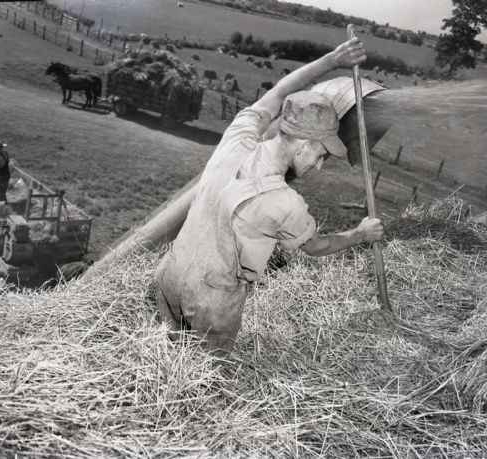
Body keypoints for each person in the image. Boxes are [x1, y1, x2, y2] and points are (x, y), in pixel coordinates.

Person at [154, 37, 385, 353]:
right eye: (319, 155)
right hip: (211, 301)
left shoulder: (237, 137)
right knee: (204, 380)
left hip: (170, 274)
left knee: (166, 357)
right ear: (303, 145)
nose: (318, 166)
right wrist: (360, 234)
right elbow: (318, 247)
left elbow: (278, 93)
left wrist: (331, 60)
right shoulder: (285, 202)